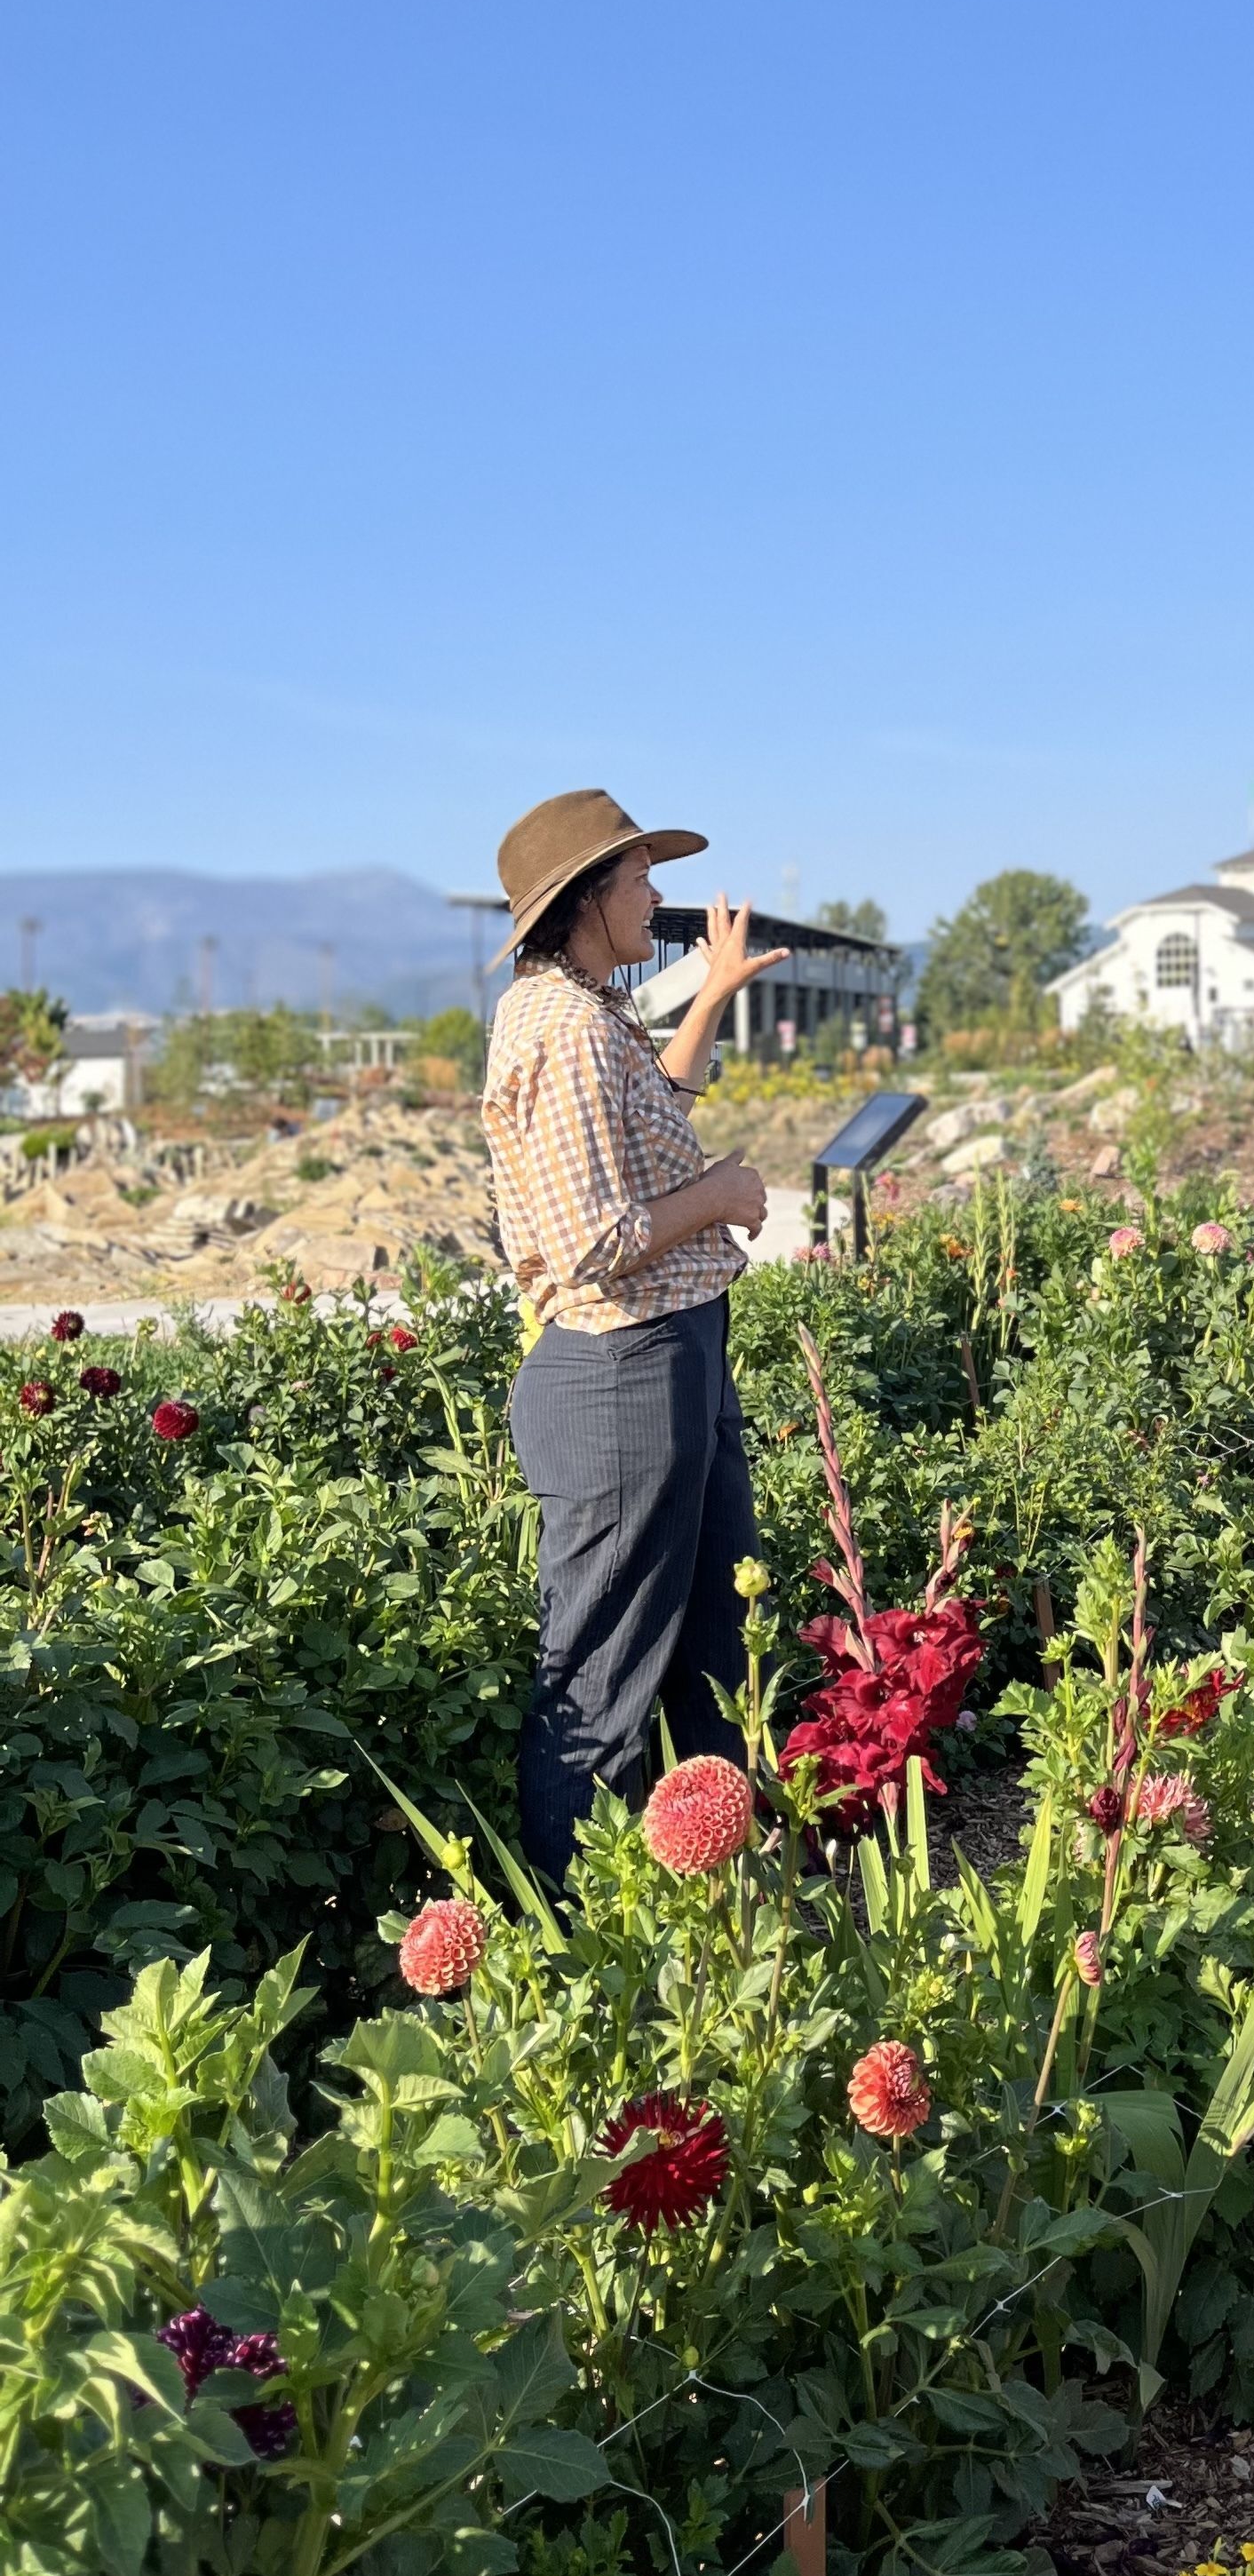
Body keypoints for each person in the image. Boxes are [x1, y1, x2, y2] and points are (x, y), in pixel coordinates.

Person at [481, 790, 785, 1883]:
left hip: (670, 1356)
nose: (655, 896)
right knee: (602, 1683)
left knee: (714, 1645)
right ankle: (568, 1945)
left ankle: (719, 1900)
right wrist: (725, 1191)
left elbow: (646, 1106)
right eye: (638, 879)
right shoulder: (560, 1030)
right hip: (622, 1373)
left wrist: (711, 990)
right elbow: (587, 1237)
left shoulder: (584, 1011)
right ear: (582, 901)